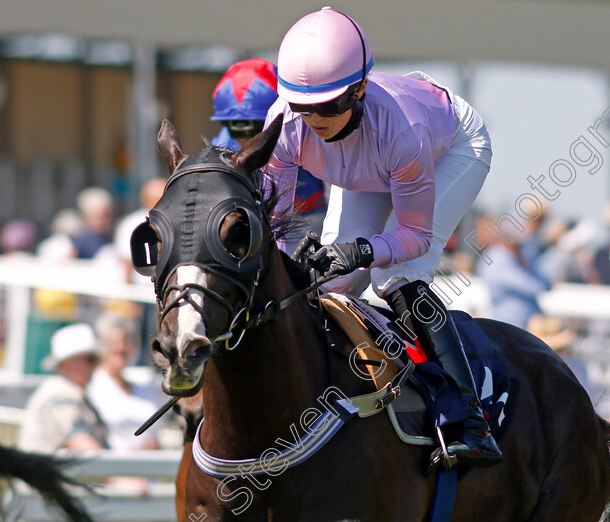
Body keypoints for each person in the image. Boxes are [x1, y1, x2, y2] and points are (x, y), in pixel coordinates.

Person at [263, 7, 499, 467]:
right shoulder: (285, 125)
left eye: (328, 106)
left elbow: (412, 236)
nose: (315, 121)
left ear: (359, 89)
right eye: (302, 107)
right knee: (329, 286)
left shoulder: (401, 133)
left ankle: (471, 422)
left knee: (395, 277)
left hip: (449, 146)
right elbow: (275, 227)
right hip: (369, 165)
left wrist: (361, 250)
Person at [210, 58, 327, 247]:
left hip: (306, 219)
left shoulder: (304, 131)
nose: (247, 140)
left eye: (257, 128)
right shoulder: (222, 145)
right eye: (237, 130)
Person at [18, 323, 108, 453]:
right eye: (90, 359)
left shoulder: (64, 390)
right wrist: (118, 471)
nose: (95, 365)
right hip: (49, 472)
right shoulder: (61, 394)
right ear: (67, 363)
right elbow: (82, 444)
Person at [87, 313, 161, 451]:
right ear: (100, 345)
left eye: (126, 341)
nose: (120, 348)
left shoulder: (143, 385)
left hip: (150, 466)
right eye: (113, 343)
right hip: (114, 468)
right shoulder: (91, 386)